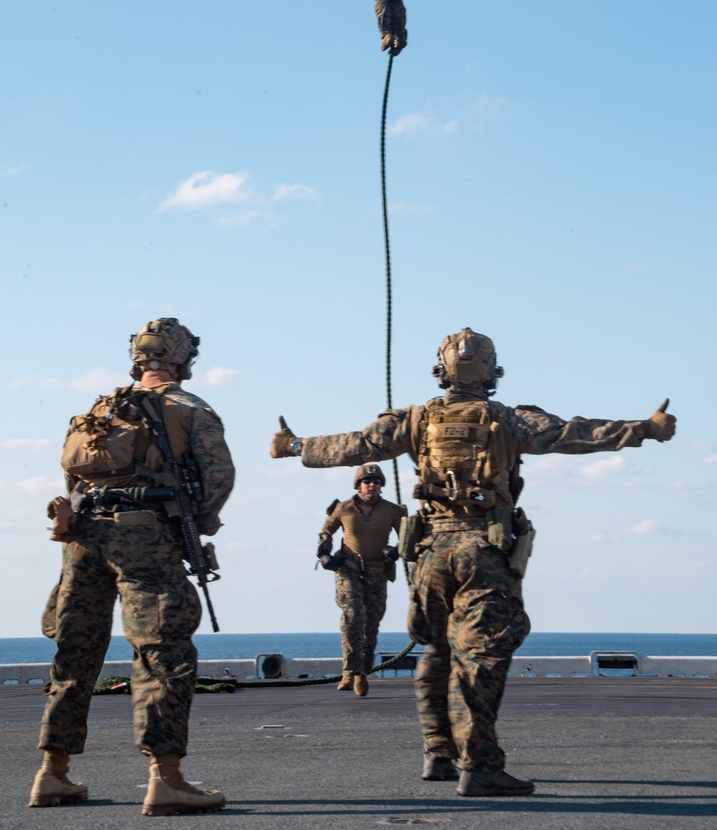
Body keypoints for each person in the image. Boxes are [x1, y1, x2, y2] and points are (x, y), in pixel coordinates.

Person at [271, 327, 676, 797]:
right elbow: (575, 434)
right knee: (480, 660)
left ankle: (438, 754)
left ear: (440, 372)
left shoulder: (415, 420)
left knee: (437, 653)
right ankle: (480, 766)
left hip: (430, 556)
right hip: (483, 550)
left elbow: (355, 446)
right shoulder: (510, 419)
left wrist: (295, 445)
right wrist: (644, 429)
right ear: (493, 373)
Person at [30, 318, 235, 816]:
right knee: (162, 651)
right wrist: (195, 523)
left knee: (75, 652)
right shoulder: (189, 408)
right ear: (181, 358)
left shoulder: (98, 409)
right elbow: (217, 479)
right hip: (145, 534)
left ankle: (52, 774)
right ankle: (166, 780)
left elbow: (72, 476)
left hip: (82, 538)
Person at [317, 464, 406, 697]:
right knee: (353, 615)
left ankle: (362, 673)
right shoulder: (343, 508)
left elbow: (407, 536)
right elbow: (326, 532)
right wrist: (324, 553)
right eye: (367, 481)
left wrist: (398, 550)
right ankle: (349, 670)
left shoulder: (392, 511)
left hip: (378, 572)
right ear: (358, 485)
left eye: (376, 482)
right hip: (349, 570)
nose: (372, 485)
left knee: (371, 626)